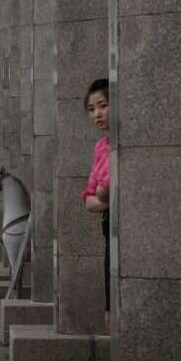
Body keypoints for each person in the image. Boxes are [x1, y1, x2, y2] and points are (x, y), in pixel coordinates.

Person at [80, 78, 111, 333]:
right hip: (109, 227)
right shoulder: (101, 147)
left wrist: (103, 195)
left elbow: (104, 191)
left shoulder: (125, 145)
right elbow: (90, 198)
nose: (97, 114)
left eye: (103, 105)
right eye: (91, 109)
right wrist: (104, 197)